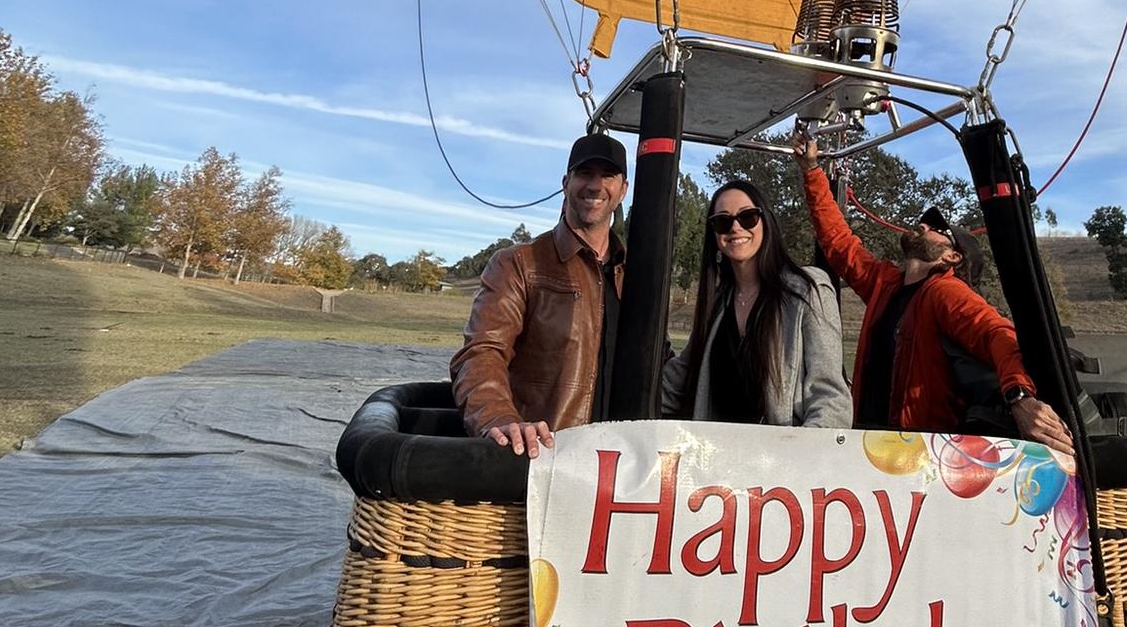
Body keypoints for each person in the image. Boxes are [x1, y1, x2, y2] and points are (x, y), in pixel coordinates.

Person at [793, 131, 1073, 455]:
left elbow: (998, 333)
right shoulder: (885, 284)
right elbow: (838, 241)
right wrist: (811, 171)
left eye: (938, 229)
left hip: (915, 454)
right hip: (866, 444)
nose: (923, 226)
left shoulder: (945, 293)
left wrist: (1020, 398)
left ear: (952, 257)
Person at [451, 133, 628, 457]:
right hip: (547, 461)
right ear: (566, 182)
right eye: (585, 174)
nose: (595, 185)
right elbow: (482, 352)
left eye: (608, 176)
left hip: (622, 469)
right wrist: (499, 418)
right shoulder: (519, 264)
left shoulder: (637, 274)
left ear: (623, 190)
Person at [660, 179, 852, 426]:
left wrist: (800, 458)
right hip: (717, 456)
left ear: (766, 223)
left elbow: (830, 398)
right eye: (723, 221)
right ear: (715, 235)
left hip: (781, 456)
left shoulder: (807, 291)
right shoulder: (717, 304)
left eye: (748, 217)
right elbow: (678, 381)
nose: (735, 228)